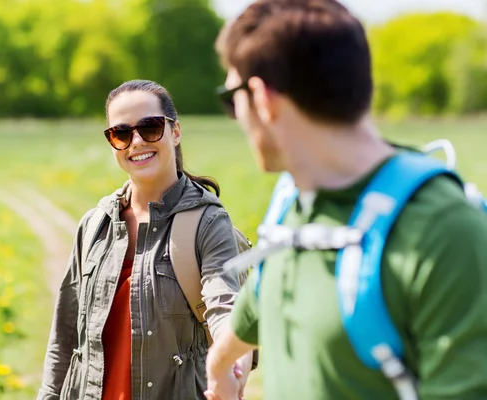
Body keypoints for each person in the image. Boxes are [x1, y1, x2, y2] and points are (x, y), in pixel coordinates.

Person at [204, 0, 487, 399]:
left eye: (231, 97)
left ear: (261, 99)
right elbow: (261, 298)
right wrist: (218, 363)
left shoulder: (443, 229)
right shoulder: (292, 202)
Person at [37, 79, 253, 400]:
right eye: (121, 133)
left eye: (149, 128)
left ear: (175, 132)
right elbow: (65, 337)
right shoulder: (95, 224)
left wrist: (230, 362)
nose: (136, 142)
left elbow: (225, 307)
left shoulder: (207, 221)